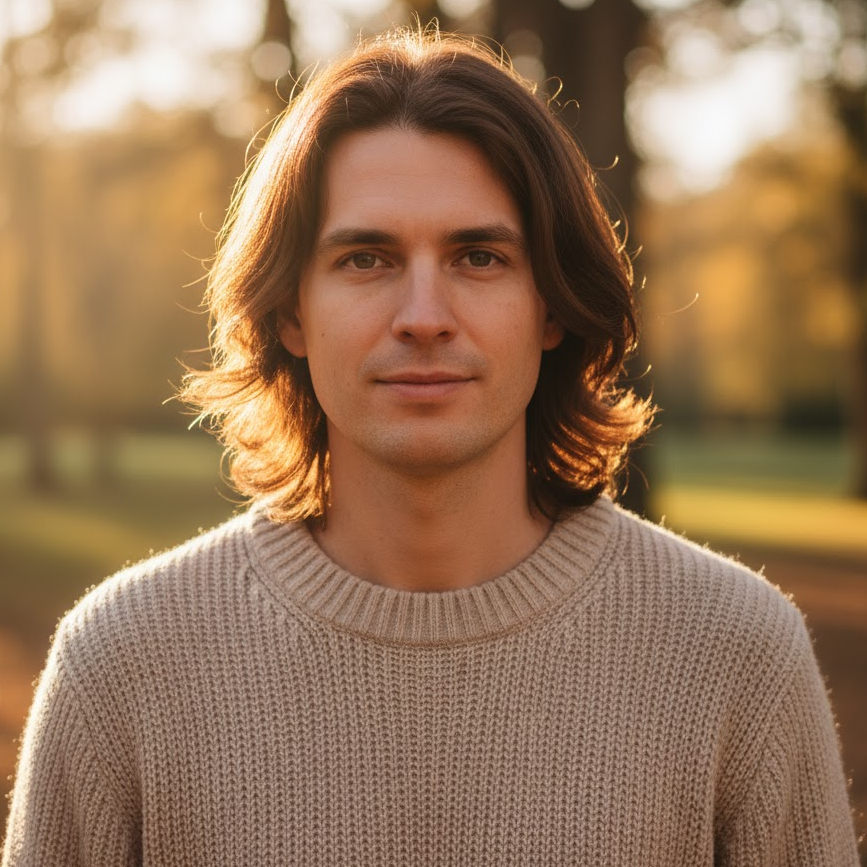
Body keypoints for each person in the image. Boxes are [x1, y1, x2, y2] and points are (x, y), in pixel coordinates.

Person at [3, 26, 859, 867]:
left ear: (552, 305)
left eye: (478, 257)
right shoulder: (121, 664)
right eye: (366, 259)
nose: (422, 316)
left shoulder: (735, 653)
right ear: (291, 311)